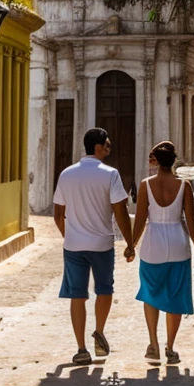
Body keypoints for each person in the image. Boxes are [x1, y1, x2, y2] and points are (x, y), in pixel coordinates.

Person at [53, 127, 135, 366]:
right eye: (107, 146)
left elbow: (58, 213)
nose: (109, 150)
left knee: (77, 295)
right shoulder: (110, 174)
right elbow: (120, 210)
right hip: (101, 244)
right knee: (104, 289)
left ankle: (81, 348)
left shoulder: (66, 174)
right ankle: (99, 330)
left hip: (74, 246)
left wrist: (69, 235)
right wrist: (130, 243)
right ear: (98, 148)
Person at [132, 141, 194, 364]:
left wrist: (131, 245)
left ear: (156, 162)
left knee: (150, 294)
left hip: (153, 245)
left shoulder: (146, 185)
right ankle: (170, 348)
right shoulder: (184, 186)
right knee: (175, 296)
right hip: (178, 244)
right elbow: (190, 219)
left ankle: (153, 344)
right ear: (174, 162)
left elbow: (141, 219)